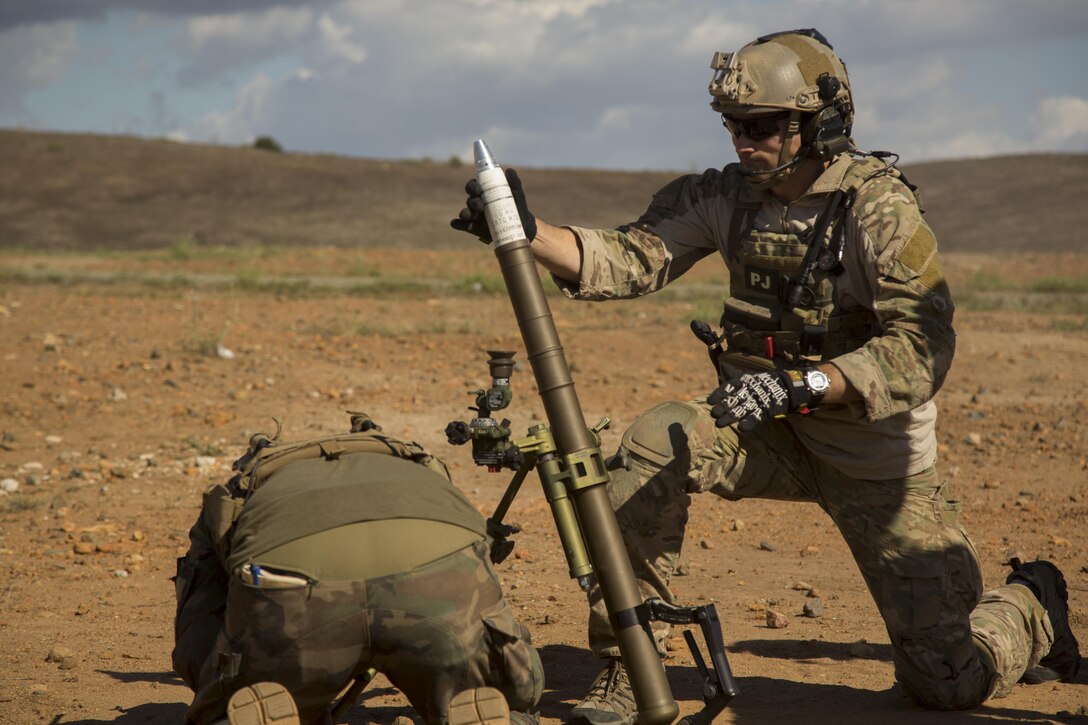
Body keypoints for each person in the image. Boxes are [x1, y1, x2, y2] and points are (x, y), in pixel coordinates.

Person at [452, 27, 1079, 724]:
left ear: (822, 121)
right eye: (734, 127)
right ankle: (631, 664)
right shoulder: (727, 197)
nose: (744, 142)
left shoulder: (875, 208)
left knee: (947, 681)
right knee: (658, 437)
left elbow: (923, 346)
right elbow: (631, 257)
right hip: (761, 431)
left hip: (872, 455)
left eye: (763, 127)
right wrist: (524, 228)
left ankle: (1033, 602)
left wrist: (804, 384)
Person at [172, 411, 543, 725]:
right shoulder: (419, 468)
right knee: (494, 684)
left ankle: (261, 695)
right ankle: (477, 696)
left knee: (254, 688)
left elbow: (198, 626)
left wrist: (217, 682)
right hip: (435, 580)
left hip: (297, 599)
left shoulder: (241, 490)